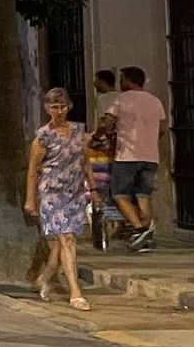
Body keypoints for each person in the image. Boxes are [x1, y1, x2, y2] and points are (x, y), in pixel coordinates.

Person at [25, 87, 92, 311]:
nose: (59, 111)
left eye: (62, 106)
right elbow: (33, 170)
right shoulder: (42, 137)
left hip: (74, 191)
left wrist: (93, 188)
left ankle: (45, 276)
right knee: (66, 239)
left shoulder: (78, 132)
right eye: (54, 107)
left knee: (63, 242)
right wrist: (30, 199)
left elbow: (85, 161)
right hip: (52, 193)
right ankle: (75, 292)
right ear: (47, 109)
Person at [105, 66, 168, 251]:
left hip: (127, 156)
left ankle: (139, 229)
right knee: (143, 195)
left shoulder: (121, 99)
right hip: (150, 156)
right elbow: (162, 128)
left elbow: (108, 122)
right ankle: (146, 238)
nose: (120, 83)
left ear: (128, 80)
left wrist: (103, 133)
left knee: (119, 194)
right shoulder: (155, 101)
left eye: (122, 79)